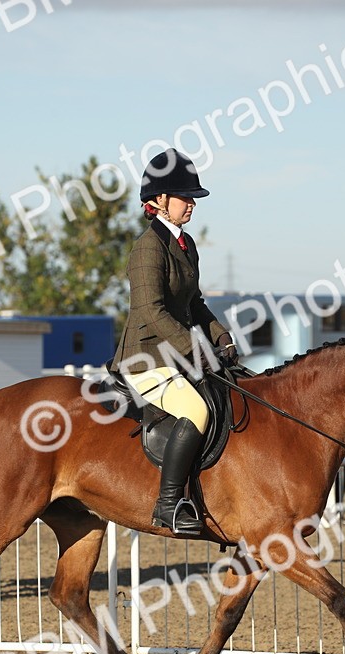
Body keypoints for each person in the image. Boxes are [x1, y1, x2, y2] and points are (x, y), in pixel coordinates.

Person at [112, 149, 237, 535]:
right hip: (145, 358)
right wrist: (192, 346)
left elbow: (194, 302)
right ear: (158, 201)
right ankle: (168, 505)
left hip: (174, 354)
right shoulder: (147, 248)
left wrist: (220, 335)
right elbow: (150, 309)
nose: (191, 205)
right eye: (185, 198)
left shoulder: (186, 245)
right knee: (196, 411)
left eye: (193, 199)